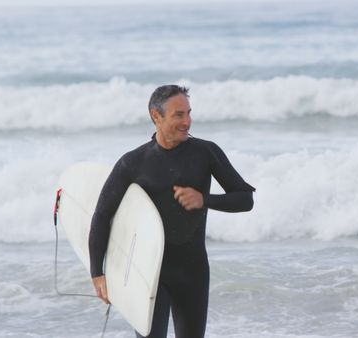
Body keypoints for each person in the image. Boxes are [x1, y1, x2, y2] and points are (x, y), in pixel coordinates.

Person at [88, 85, 255, 338]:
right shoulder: (132, 163)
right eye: (179, 115)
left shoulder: (205, 153)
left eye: (189, 113)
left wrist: (204, 199)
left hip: (193, 271)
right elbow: (101, 217)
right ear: (156, 116)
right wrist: (97, 273)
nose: (187, 121)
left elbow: (245, 199)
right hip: (148, 273)